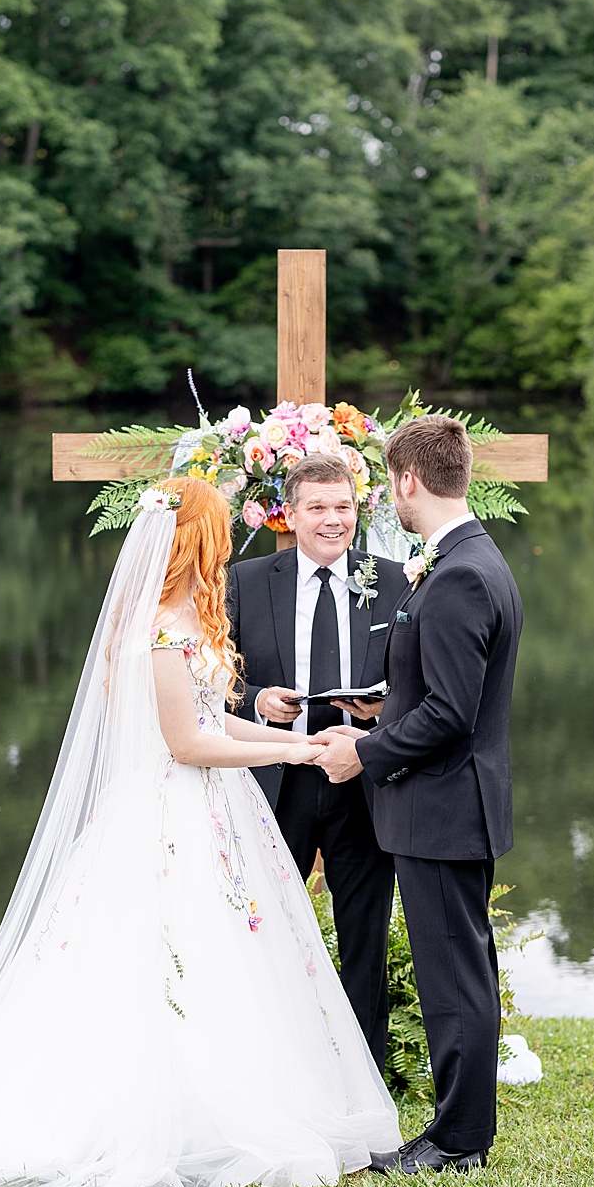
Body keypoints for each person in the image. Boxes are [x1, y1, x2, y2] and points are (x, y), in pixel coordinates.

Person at [0, 478, 398, 1187]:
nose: (231, 542)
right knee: (166, 957)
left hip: (214, 812)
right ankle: (163, 1110)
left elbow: (210, 717)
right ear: (196, 539)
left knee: (223, 960)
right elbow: (187, 744)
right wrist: (300, 748)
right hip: (169, 813)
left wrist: (276, 731)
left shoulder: (190, 618)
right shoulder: (160, 629)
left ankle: (220, 1096)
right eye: (222, 530)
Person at [310, 416, 522, 1177]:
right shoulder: (470, 555)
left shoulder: (459, 572)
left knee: (452, 974)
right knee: (458, 967)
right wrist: (385, 705)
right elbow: (436, 692)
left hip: (441, 805)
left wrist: (363, 750)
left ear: (406, 480)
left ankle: (458, 1141)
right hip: (448, 802)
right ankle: (460, 1128)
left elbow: (452, 714)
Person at [227, 454, 410, 1070]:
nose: (334, 521)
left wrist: (377, 711)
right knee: (266, 926)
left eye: (344, 507)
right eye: (318, 507)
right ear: (290, 512)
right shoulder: (247, 582)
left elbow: (420, 684)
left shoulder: (395, 580)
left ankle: (364, 1072)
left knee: (365, 931)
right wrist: (257, 701)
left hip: (361, 778)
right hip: (278, 781)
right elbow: (209, 682)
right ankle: (270, 1064)